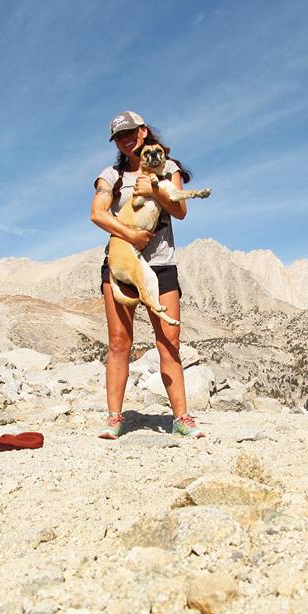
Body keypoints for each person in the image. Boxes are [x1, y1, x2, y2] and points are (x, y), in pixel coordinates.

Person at [89, 111, 204, 439]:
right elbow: (97, 213)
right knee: (118, 342)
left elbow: (180, 211)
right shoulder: (111, 175)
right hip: (123, 263)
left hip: (162, 264)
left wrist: (154, 191)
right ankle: (114, 418)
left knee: (169, 341)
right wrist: (130, 235)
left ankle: (181, 418)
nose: (126, 140)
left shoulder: (168, 167)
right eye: (119, 137)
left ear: (142, 131)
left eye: (130, 132)